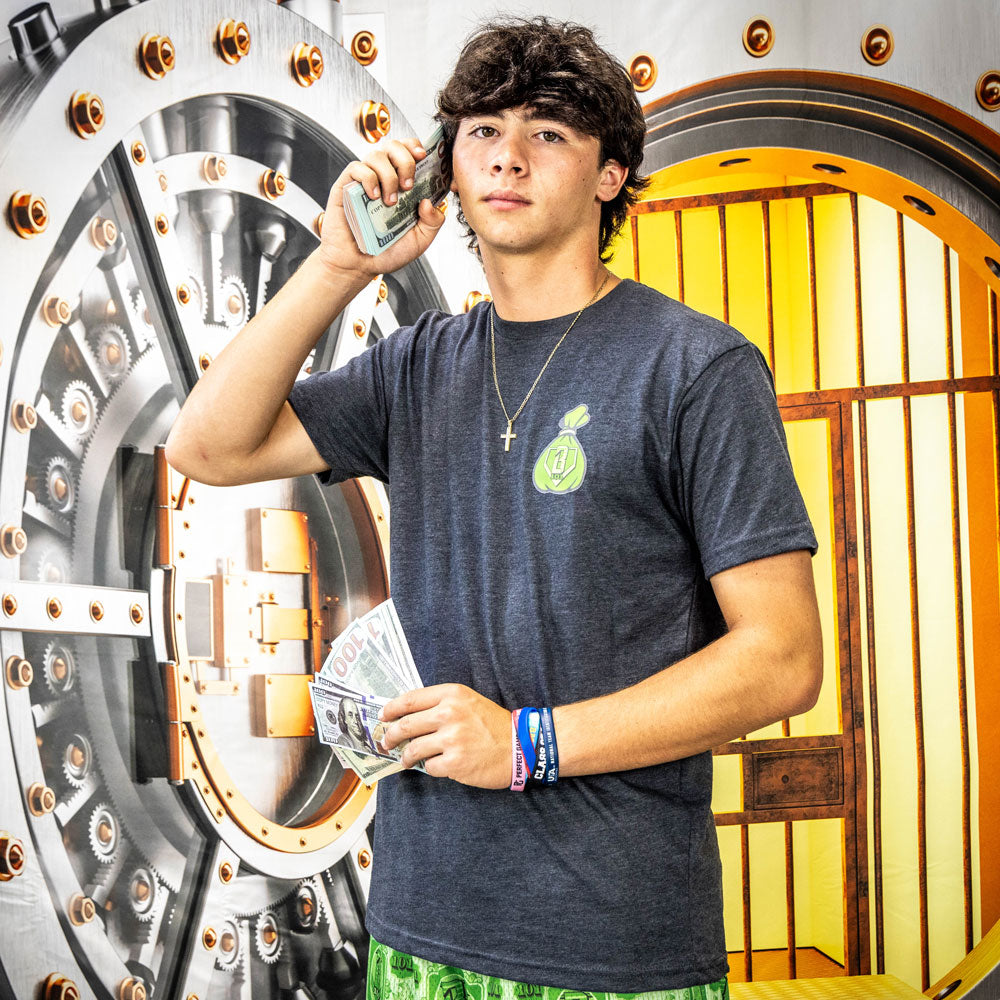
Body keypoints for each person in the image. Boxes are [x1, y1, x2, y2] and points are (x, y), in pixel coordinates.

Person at [165, 16, 822, 1000]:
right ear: (448, 167)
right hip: (417, 933)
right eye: (482, 131)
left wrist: (524, 744)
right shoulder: (417, 366)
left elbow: (783, 658)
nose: (508, 156)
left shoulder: (696, 368)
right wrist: (339, 265)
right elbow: (206, 446)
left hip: (611, 949)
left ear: (610, 175)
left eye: (548, 132)